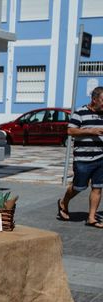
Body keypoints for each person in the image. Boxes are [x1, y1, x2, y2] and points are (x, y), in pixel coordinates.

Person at [58, 86, 103, 228]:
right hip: (83, 159)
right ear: (94, 99)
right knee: (79, 187)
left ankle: (91, 218)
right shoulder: (80, 112)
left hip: (101, 157)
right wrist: (91, 131)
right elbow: (70, 130)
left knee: (97, 187)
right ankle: (63, 203)